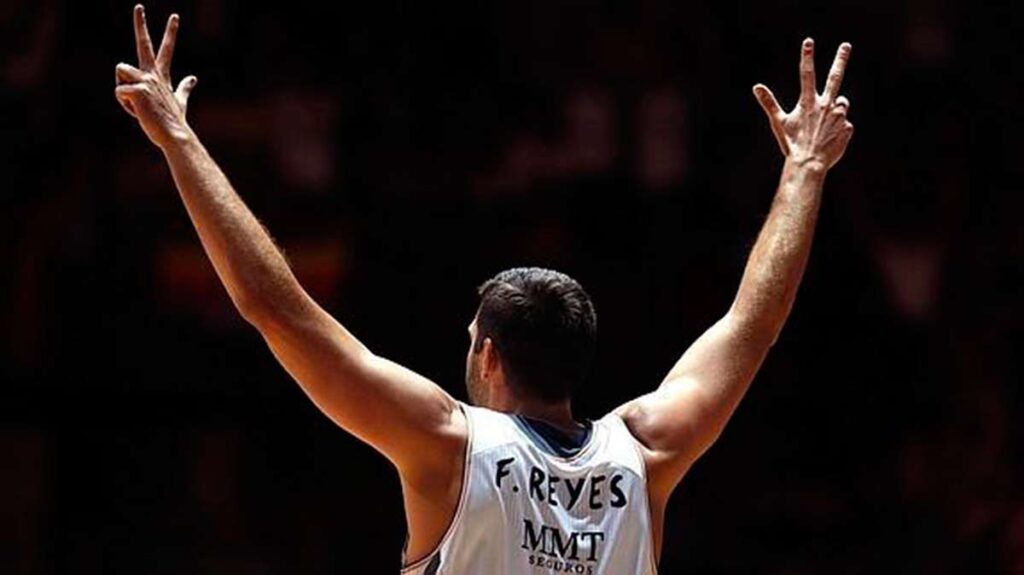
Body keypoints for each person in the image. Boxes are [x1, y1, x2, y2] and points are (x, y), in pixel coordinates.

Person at [114, 5, 853, 573]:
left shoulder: (450, 444)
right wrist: (805, 171)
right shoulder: (644, 452)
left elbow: (277, 309)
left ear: (491, 356)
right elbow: (754, 323)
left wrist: (179, 141)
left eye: (472, 339)